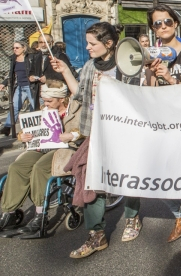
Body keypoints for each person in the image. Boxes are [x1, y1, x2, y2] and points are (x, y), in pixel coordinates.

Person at [50, 22, 142, 259]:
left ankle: (132, 218)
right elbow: (79, 94)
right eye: (88, 43)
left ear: (109, 44)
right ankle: (96, 235)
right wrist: (66, 71)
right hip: (96, 134)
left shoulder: (127, 64)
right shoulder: (90, 66)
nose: (88, 47)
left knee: (127, 178)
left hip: (123, 133)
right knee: (92, 181)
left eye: (93, 44)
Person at [145, 4, 181, 259]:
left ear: (176, 23)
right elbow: (150, 95)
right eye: (157, 23)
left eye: (167, 21)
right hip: (161, 126)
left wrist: (169, 77)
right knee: (157, 177)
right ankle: (179, 216)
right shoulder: (152, 56)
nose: (163, 26)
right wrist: (151, 75)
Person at [0, 80, 83, 238]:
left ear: (61, 99)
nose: (46, 103)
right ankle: (9, 212)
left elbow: (85, 130)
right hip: (41, 147)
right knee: (17, 167)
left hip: (65, 148)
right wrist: (22, 136)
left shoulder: (75, 109)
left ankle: (40, 216)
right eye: (44, 100)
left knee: (40, 168)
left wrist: (72, 134)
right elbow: (28, 130)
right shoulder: (43, 110)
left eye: (50, 101)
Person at [0, 41, 35, 136]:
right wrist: (3, 84)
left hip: (31, 86)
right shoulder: (13, 59)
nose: (15, 49)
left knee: (34, 107)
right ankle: (7, 127)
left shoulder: (30, 57)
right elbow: (11, 74)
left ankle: (34, 129)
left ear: (24, 48)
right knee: (14, 107)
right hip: (20, 86)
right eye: (13, 48)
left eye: (17, 48)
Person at [30, 34, 73, 109]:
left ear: (51, 43)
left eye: (46, 42)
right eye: (41, 42)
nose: (43, 45)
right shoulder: (37, 56)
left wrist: (47, 78)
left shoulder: (60, 56)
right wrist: (31, 76)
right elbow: (33, 70)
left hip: (56, 93)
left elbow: (67, 73)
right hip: (42, 93)